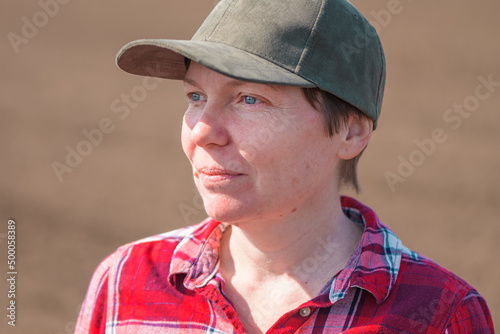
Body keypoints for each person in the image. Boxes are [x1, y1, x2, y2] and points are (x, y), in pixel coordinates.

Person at [75, 0, 494, 333]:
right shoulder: (124, 283)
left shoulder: (441, 316)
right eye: (195, 97)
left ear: (351, 132)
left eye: (249, 99)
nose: (203, 131)